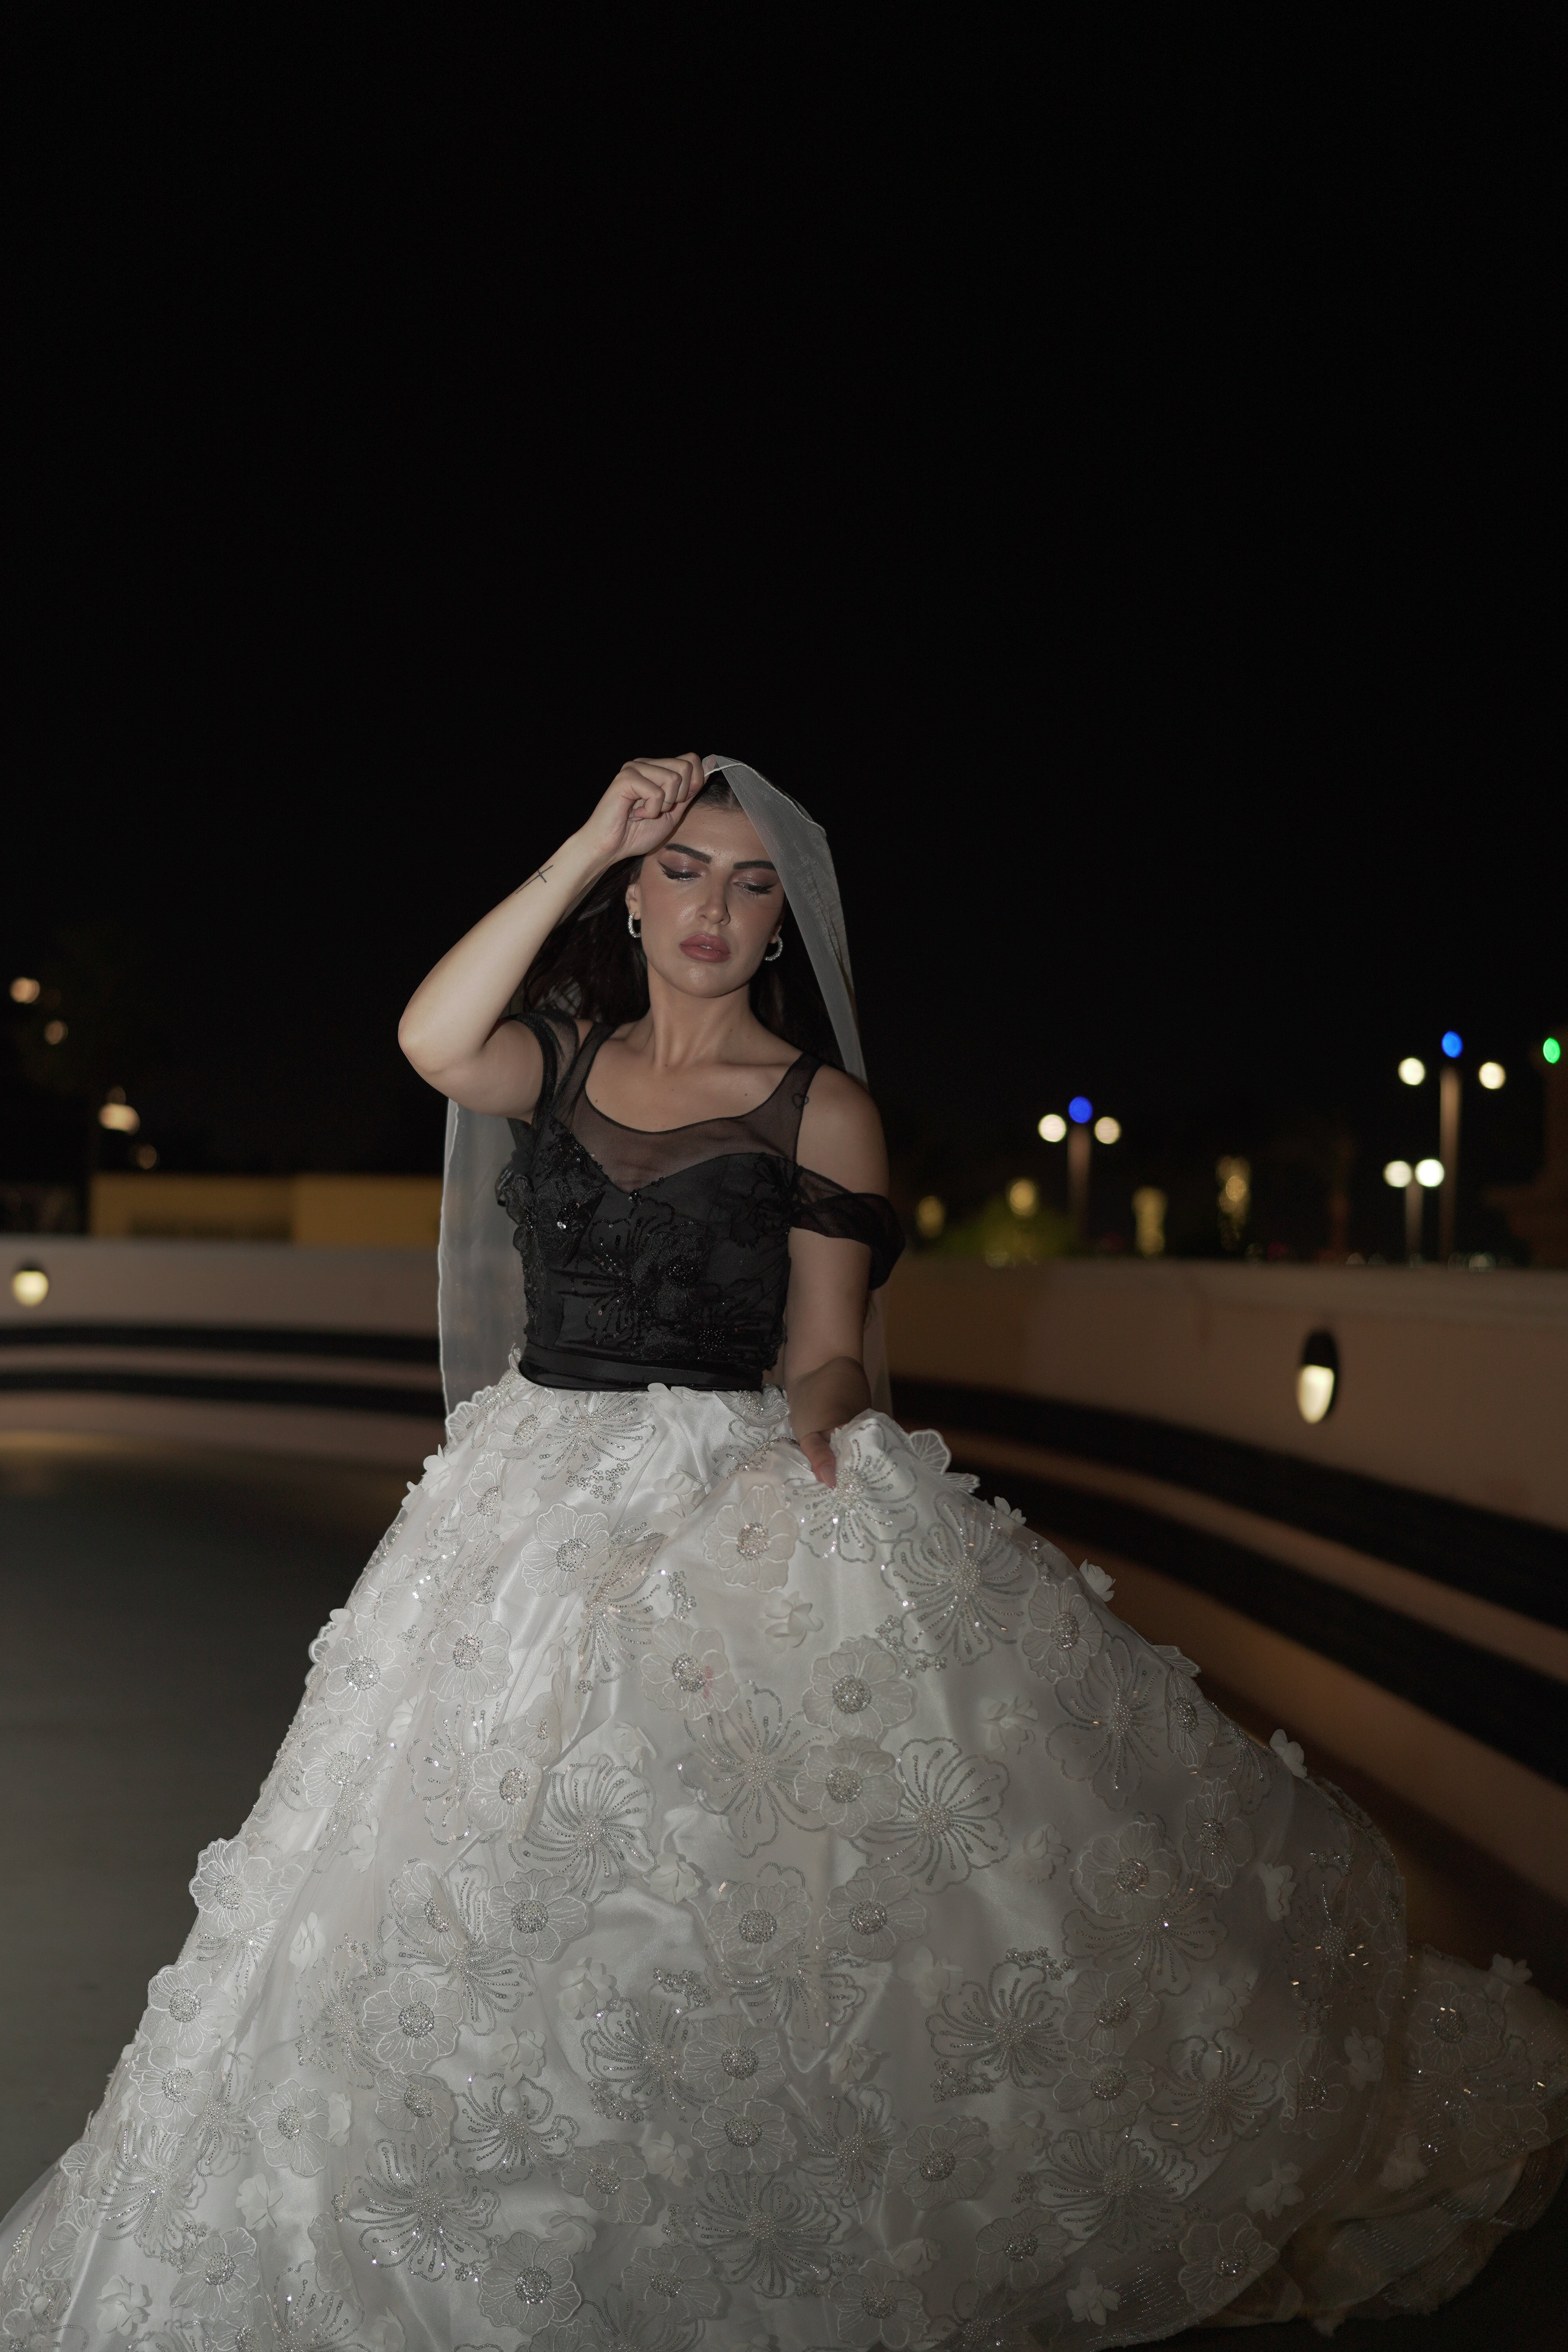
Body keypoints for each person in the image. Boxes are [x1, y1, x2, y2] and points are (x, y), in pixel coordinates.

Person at [2, 755, 1563, 2350]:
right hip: (522, 1501)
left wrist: (824, 1432)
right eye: (682, 872)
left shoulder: (824, 1109)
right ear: (633, 894)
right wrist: (590, 834)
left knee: (698, 1879)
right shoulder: (548, 1057)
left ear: (781, 931)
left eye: (753, 887)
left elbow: (832, 1346)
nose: (713, 910)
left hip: (720, 1485)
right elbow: (425, 1038)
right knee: (446, 1876)